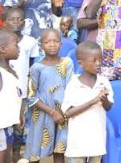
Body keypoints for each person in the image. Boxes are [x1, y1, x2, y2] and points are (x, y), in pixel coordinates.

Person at [26, 29, 73, 163]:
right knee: (36, 152)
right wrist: (51, 111)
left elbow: (71, 88)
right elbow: (32, 96)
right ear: (41, 46)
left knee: (59, 151)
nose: (52, 44)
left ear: (61, 44)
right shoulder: (36, 68)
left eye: (55, 41)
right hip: (43, 113)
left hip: (62, 113)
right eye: (47, 42)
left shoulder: (67, 63)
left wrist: (64, 111)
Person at [62, 41, 114, 163]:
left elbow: (108, 107)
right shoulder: (74, 84)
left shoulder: (104, 81)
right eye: (94, 60)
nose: (98, 63)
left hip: (97, 142)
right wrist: (93, 101)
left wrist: (104, 99)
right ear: (81, 63)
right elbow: (68, 113)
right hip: (77, 144)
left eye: (100, 59)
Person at [4, 7, 39, 103]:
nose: (16, 22)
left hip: (22, 87)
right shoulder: (1, 41)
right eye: (12, 19)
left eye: (20, 19)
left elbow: (31, 65)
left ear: (24, 23)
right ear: (5, 23)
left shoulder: (30, 41)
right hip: (4, 87)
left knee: (21, 114)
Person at [0, 28, 22, 163]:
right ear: (3, 49)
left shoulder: (11, 70)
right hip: (0, 126)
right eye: (16, 45)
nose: (19, 48)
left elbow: (13, 96)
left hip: (8, 125)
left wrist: (19, 115)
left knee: (7, 156)